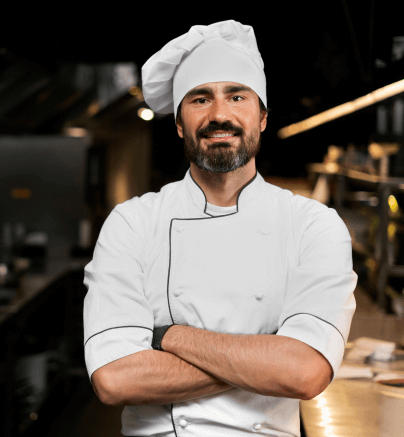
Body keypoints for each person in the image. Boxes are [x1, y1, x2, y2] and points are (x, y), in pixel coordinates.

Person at [83, 20, 357, 437]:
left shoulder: (314, 226)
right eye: (200, 99)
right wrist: (267, 359)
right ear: (179, 124)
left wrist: (171, 336)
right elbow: (114, 379)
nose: (219, 115)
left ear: (262, 117)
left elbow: (305, 373)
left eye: (237, 96)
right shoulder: (133, 223)